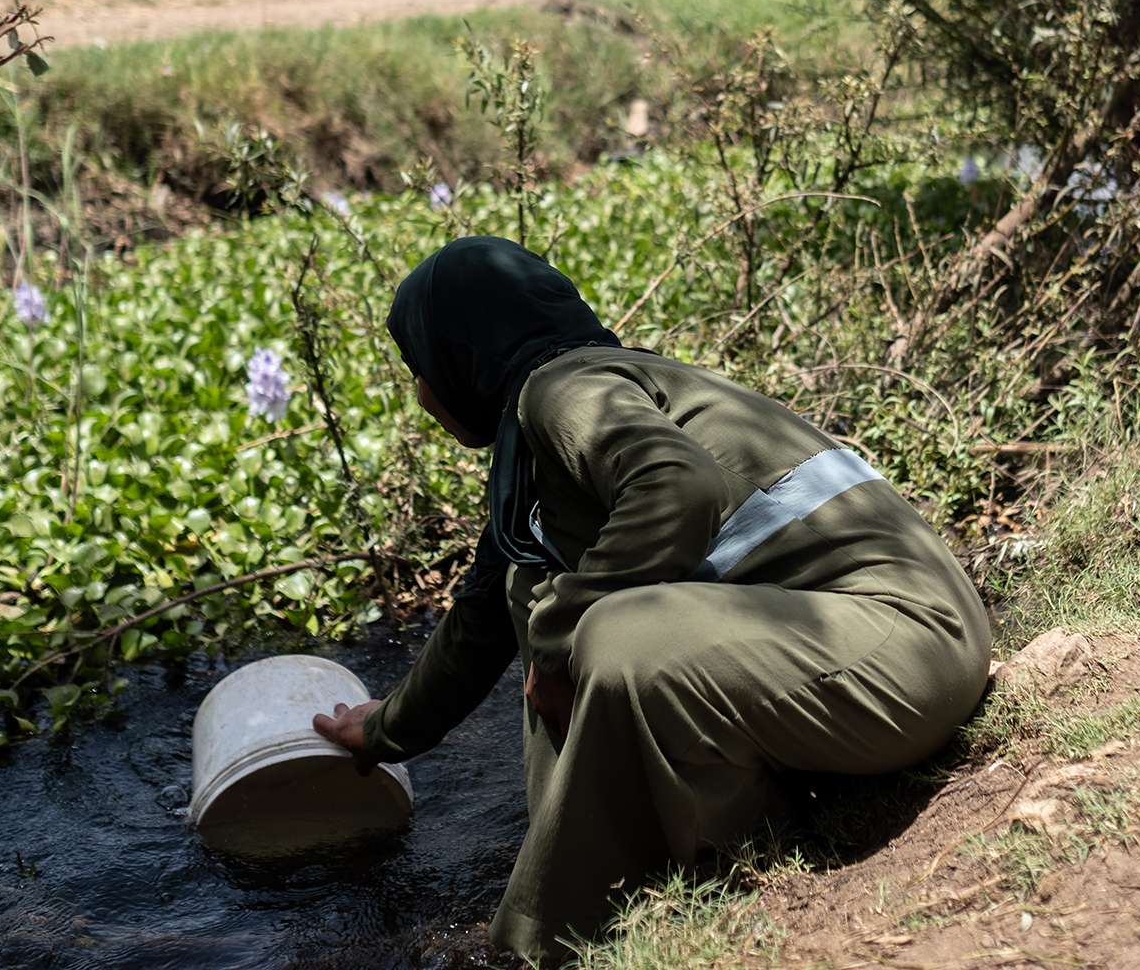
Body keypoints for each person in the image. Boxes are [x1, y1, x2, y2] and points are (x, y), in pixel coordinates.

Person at [311, 236, 991, 960]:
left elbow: (678, 483)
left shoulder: (560, 390)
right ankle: (601, 862)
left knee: (617, 634)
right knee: (539, 591)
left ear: (462, 357)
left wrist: (558, 640)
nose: (422, 395)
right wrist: (383, 731)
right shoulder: (575, 421)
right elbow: (479, 623)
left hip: (905, 648)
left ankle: (651, 903)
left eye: (421, 370)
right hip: (891, 644)